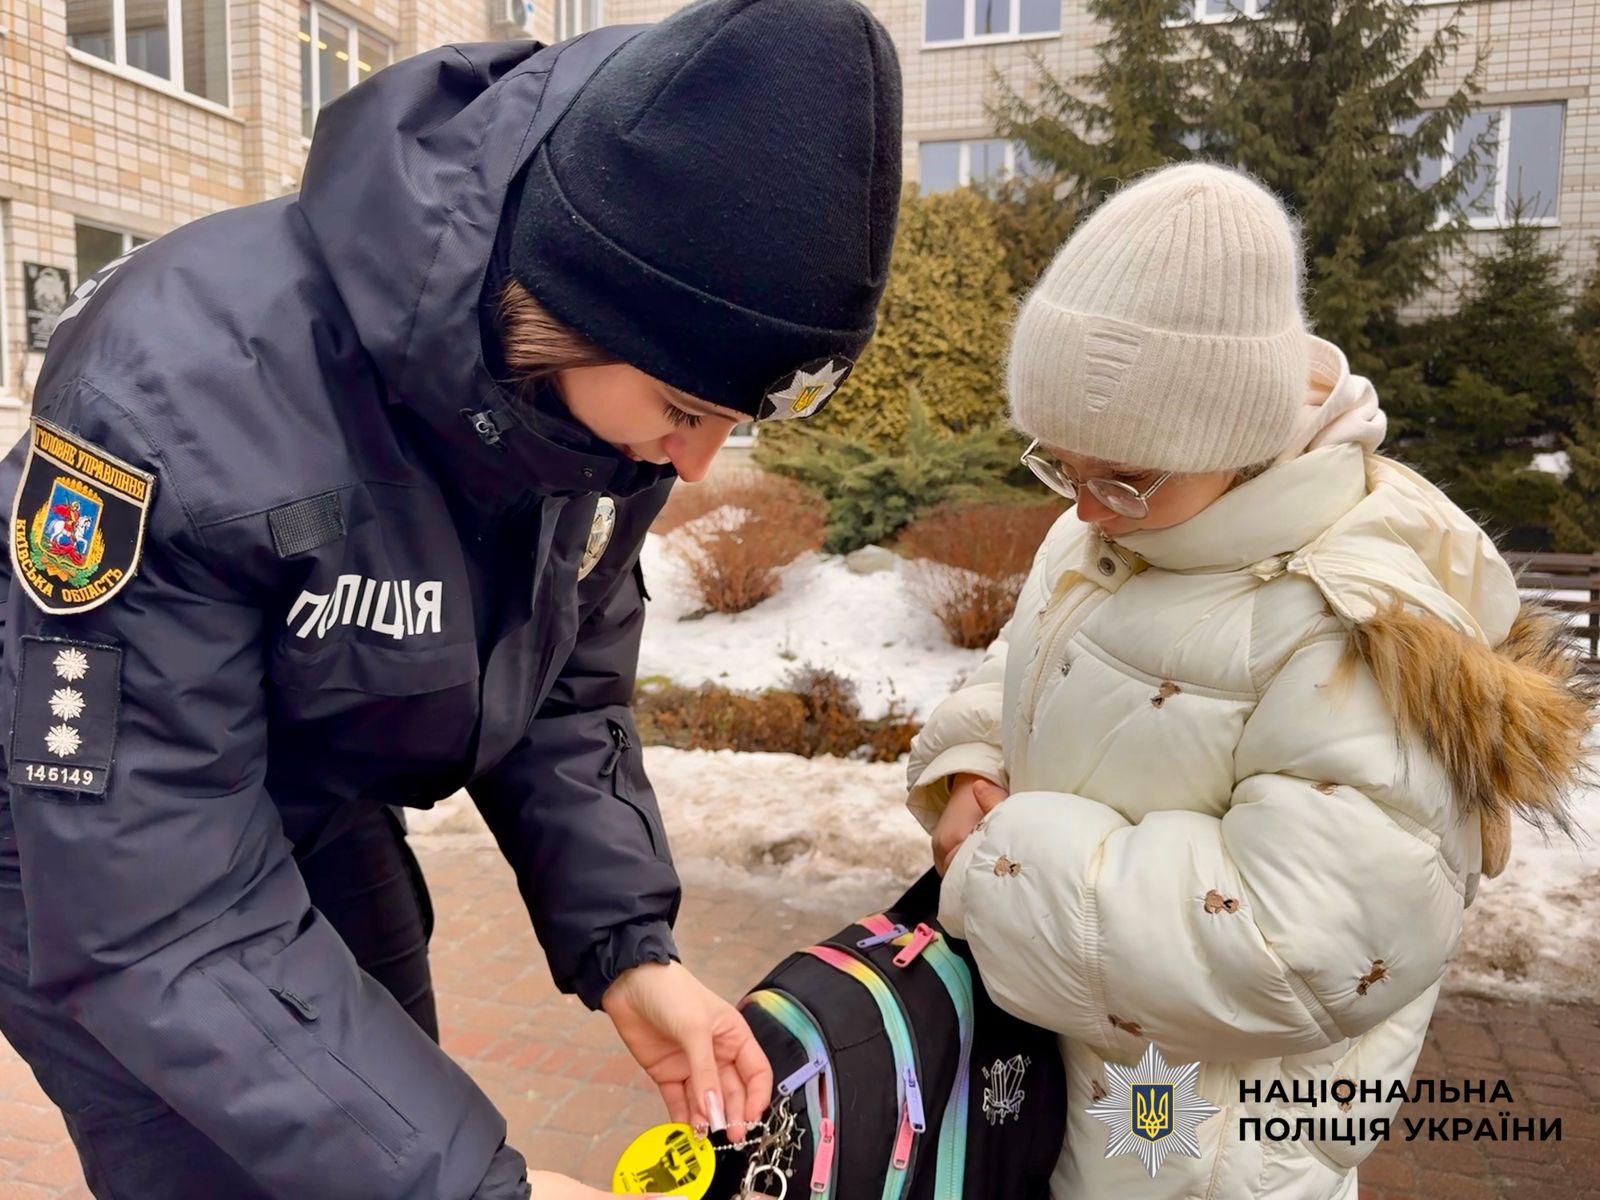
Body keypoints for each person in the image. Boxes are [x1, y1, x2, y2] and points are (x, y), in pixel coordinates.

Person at [0, 0, 902, 1196]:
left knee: (385, 1108)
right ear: (563, 305)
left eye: (731, 423)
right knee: (237, 1161)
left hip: (318, 794)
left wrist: (629, 949)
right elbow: (153, 906)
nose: (694, 465)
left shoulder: (605, 422)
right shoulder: (174, 394)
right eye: (687, 412)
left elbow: (563, 681)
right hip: (79, 835)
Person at [906, 163, 1594, 1199]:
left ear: (1230, 438)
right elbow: (1039, 659)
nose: (1082, 507)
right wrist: (973, 760)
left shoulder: (1349, 631)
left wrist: (997, 865)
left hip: (1205, 1162)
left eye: (1118, 476)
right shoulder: (1121, 527)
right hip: (1069, 1108)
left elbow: (1296, 948)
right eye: (1058, 465)